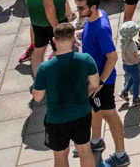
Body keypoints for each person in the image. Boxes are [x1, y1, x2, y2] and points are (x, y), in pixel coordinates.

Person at [32, 21, 101, 167]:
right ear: (73, 40)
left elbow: (37, 97)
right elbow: (95, 84)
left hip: (56, 119)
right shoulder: (86, 59)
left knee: (60, 156)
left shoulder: (44, 68)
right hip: (82, 114)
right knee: (85, 151)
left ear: (54, 40)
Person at [78, 0, 127, 166]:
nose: (78, 12)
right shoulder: (97, 16)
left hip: (101, 81)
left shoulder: (101, 28)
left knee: (109, 114)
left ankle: (121, 155)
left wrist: (100, 82)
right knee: (95, 109)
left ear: (93, 6)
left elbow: (112, 57)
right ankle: (96, 140)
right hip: (93, 78)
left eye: (81, 8)